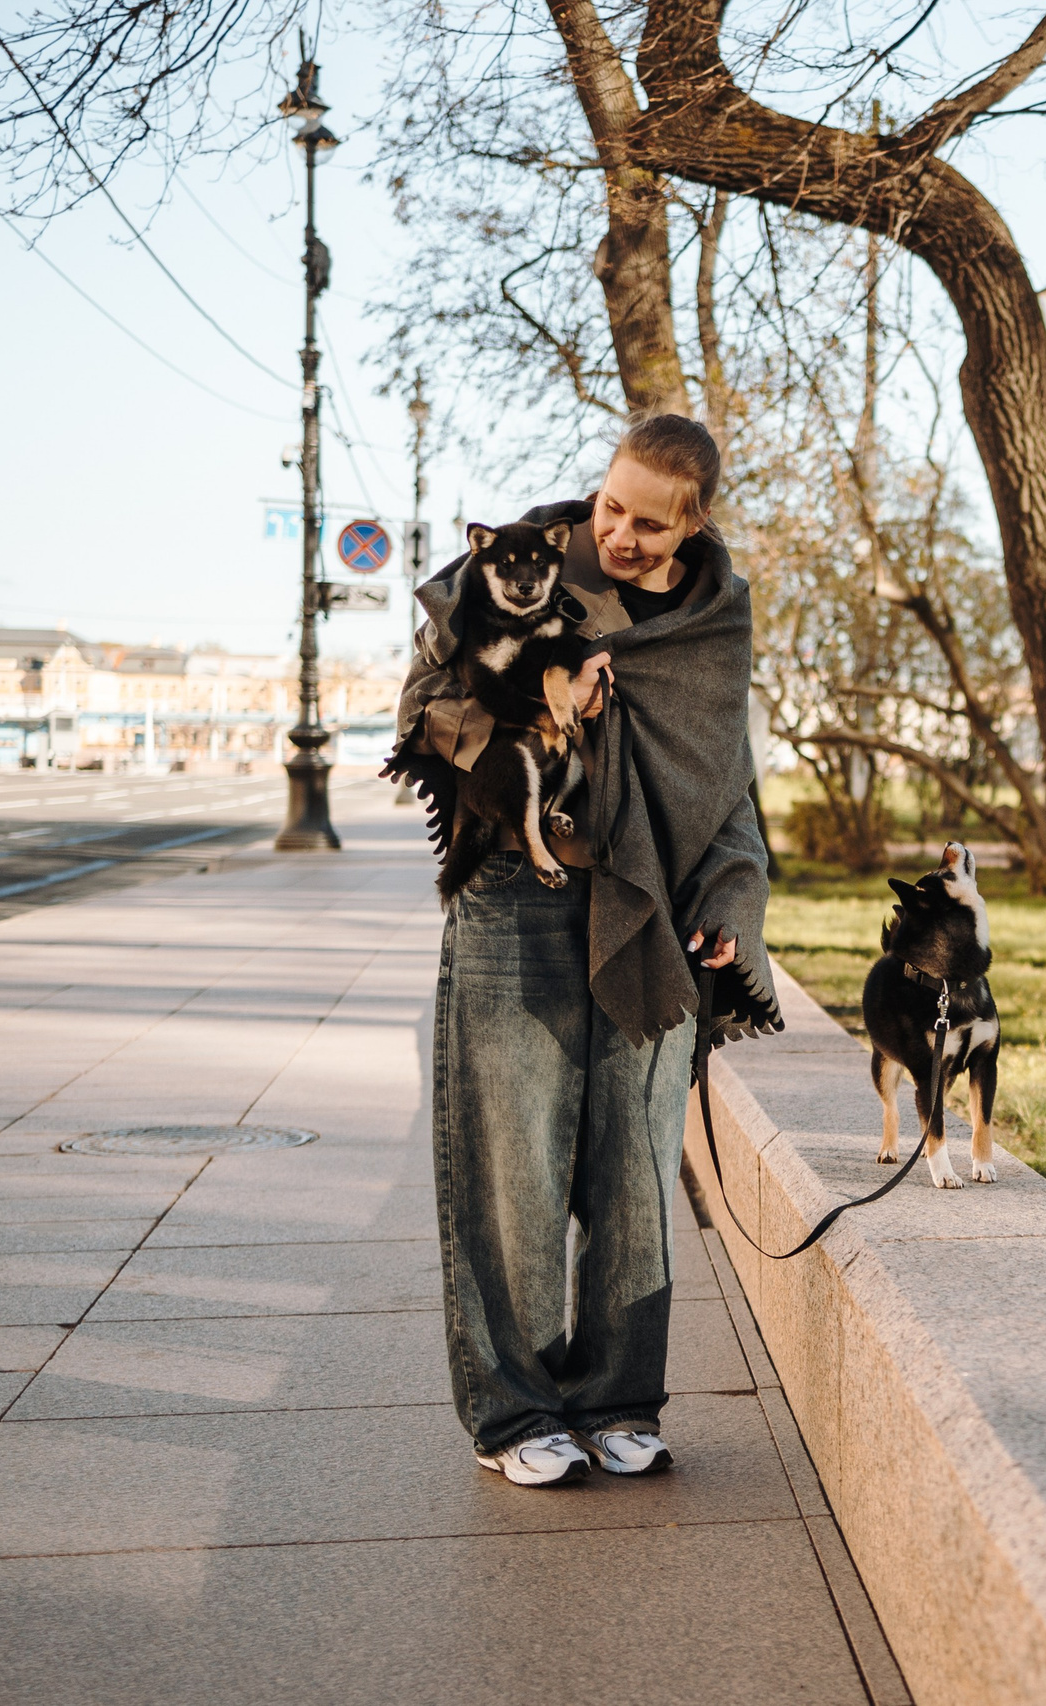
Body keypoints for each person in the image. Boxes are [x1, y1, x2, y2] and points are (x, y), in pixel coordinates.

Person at [389, 414, 781, 1487]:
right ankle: (515, 1412)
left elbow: (724, 779)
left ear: (693, 523)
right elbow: (422, 717)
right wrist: (535, 713)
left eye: (649, 524)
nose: (618, 535)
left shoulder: (712, 620)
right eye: (610, 506)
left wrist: (731, 905)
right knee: (509, 1168)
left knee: (636, 1173)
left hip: (646, 906)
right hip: (514, 894)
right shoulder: (507, 574)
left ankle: (618, 1397)